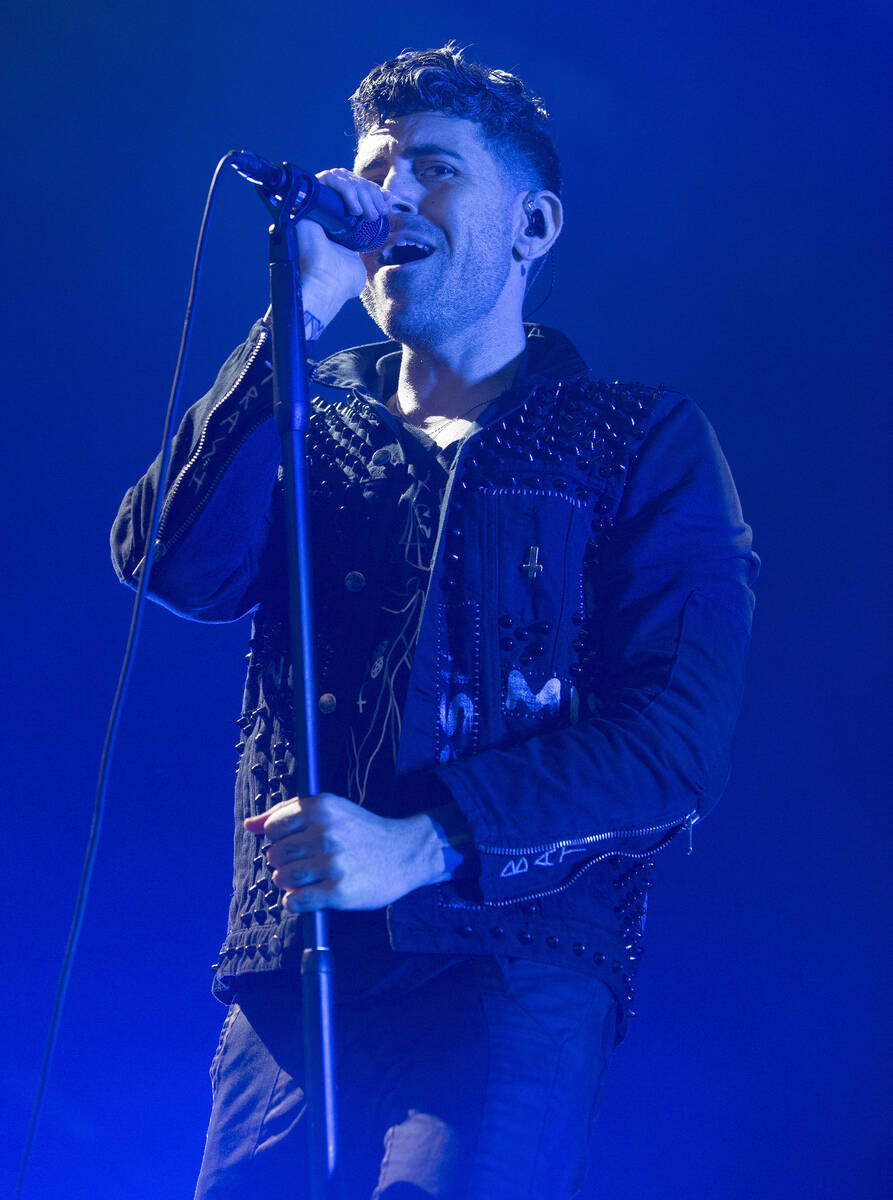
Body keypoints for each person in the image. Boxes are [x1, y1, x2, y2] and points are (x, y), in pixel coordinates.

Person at [111, 44, 758, 1200]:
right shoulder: (310, 414)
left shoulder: (637, 438)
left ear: (533, 225)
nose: (390, 197)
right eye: (373, 170)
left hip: (511, 961)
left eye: (434, 169)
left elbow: (673, 744)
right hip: (294, 967)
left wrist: (422, 843)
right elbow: (172, 563)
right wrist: (299, 311)